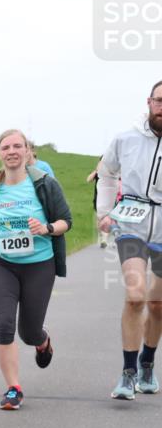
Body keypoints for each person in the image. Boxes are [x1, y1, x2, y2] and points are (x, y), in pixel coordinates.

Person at [0, 130, 72, 409]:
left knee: (28, 332)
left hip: (39, 265)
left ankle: (42, 341)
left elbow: (66, 220)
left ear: (27, 150)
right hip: (4, 265)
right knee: (3, 326)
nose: (12, 151)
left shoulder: (44, 184)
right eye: (6, 147)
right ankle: (13, 388)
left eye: (18, 146)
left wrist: (47, 228)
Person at [97, 79, 162, 399]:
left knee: (157, 304)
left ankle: (148, 362)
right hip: (132, 224)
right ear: (149, 102)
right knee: (136, 296)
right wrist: (104, 213)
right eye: (159, 101)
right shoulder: (126, 138)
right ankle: (128, 372)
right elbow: (106, 173)